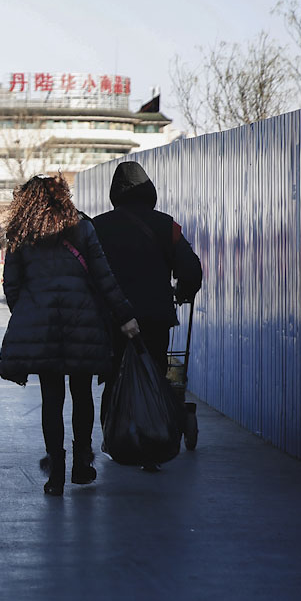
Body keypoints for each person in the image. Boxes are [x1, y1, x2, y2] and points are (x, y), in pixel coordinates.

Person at [0, 175, 139, 496]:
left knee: (51, 398)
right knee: (82, 394)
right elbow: (104, 277)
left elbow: (12, 285)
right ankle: (82, 463)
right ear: (64, 197)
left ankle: (56, 473)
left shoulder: (23, 234)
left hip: (43, 326)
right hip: (82, 323)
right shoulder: (83, 227)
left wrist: (30, 311)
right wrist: (125, 315)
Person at [92, 161, 203, 447]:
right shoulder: (167, 225)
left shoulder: (97, 226)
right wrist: (183, 290)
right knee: (153, 370)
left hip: (112, 317)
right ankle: (155, 436)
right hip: (155, 316)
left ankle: (115, 437)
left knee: (115, 373)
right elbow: (190, 270)